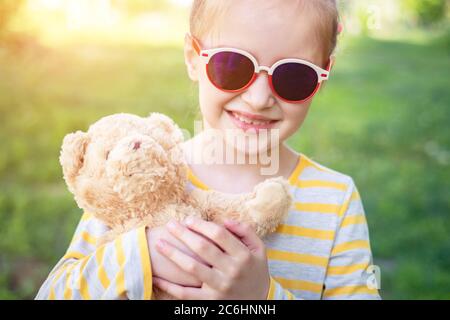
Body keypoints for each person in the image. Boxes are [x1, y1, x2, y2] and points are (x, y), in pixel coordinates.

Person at [36, 0, 380, 300]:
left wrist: (261, 296)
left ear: (322, 77)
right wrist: (141, 257)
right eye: (233, 65)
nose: (259, 99)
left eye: (293, 76)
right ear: (193, 59)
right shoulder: (132, 177)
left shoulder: (335, 201)